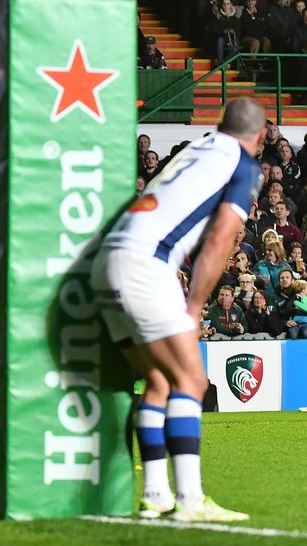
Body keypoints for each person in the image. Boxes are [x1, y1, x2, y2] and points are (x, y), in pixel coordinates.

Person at [89, 99, 263, 522]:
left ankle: (156, 496)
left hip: (106, 262)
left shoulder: (198, 148)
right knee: (191, 378)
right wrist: (196, 304)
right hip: (147, 263)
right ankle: (190, 499)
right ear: (258, 137)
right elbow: (223, 238)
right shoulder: (243, 164)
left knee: (157, 379)